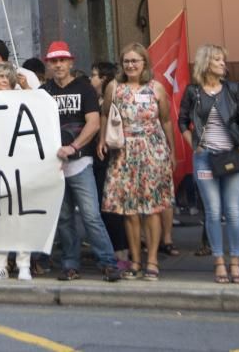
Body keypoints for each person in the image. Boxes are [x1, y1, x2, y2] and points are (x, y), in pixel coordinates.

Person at [41, 42, 121, 282]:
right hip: (55, 166)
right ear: (49, 64)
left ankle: (107, 262)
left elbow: (94, 123)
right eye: (54, 61)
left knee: (91, 216)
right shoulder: (44, 92)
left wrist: (74, 147)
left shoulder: (84, 88)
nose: (58, 65)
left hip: (81, 162)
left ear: (70, 62)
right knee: (64, 218)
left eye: (62, 60)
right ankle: (69, 264)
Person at [99, 43, 175, 281]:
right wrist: (102, 139)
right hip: (123, 151)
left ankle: (152, 260)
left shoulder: (157, 88)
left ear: (144, 63)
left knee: (152, 209)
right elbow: (105, 114)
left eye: (135, 61)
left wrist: (171, 151)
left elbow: (166, 121)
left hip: (152, 150)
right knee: (129, 210)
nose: (130, 65)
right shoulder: (114, 87)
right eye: (127, 61)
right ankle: (135, 259)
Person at [178, 44, 239, 284]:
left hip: (230, 156)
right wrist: (193, 144)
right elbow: (182, 121)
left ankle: (236, 261)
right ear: (207, 63)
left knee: (233, 212)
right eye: (218, 60)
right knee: (213, 211)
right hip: (205, 158)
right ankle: (219, 261)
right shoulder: (193, 91)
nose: (223, 64)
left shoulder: (232, 88)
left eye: (223, 60)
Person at [0, 61, 34, 281]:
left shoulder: (24, 98)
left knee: (21, 215)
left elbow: (40, 110)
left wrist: (28, 89)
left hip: (21, 164)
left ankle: (24, 265)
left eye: (6, 77)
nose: (3, 80)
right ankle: (1, 264)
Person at [89, 61, 128, 268]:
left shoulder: (108, 101)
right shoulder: (95, 98)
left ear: (104, 78)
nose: (91, 79)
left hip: (109, 157)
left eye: (94, 75)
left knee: (110, 207)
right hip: (100, 158)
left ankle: (120, 252)